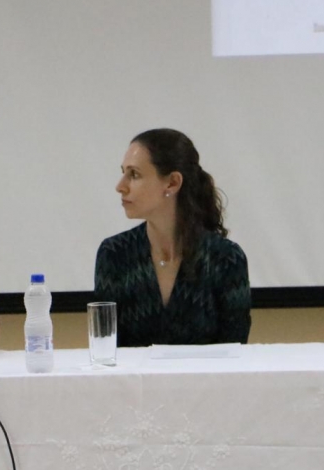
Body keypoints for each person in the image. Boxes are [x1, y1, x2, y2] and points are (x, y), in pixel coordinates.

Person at [94, 128, 251, 346]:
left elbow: (235, 352)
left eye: (134, 175)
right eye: (123, 173)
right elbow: (105, 349)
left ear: (172, 183)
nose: (120, 187)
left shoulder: (225, 259)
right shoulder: (115, 254)